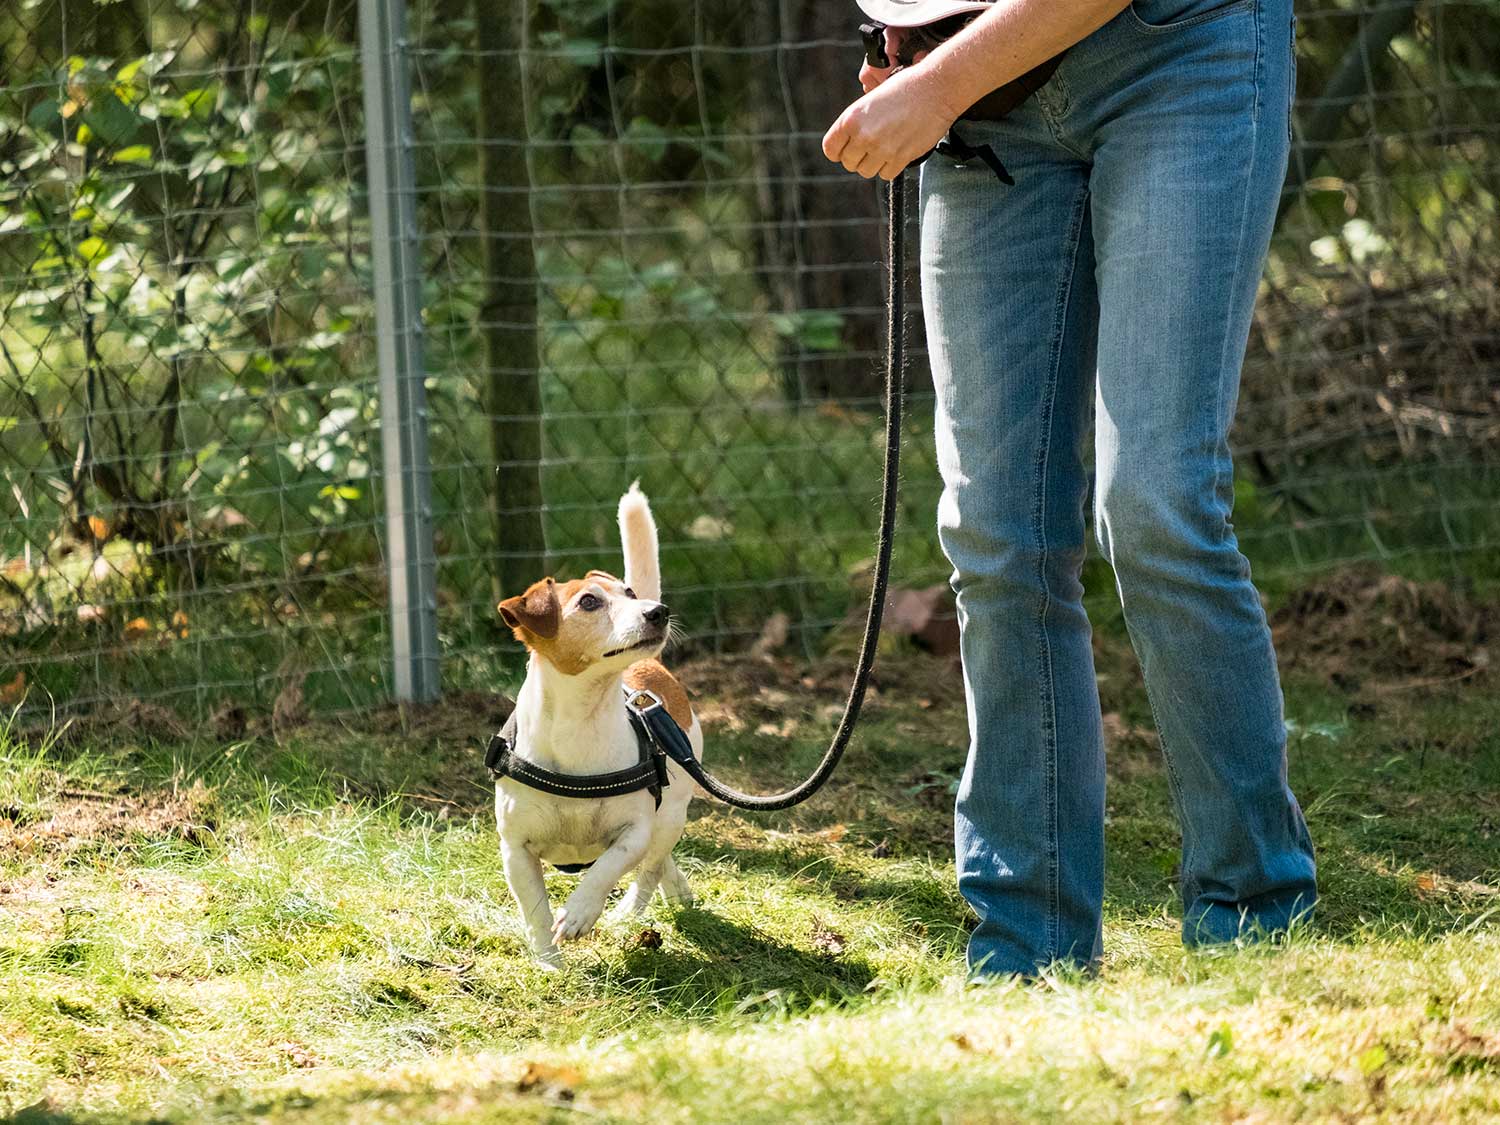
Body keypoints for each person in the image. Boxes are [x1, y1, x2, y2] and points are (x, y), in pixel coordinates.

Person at [823, 0, 1318, 978]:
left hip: (1179, 52)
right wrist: (912, 43)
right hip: (982, 101)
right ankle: (1027, 947)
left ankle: (1253, 918)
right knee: (995, 532)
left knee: (1155, 503)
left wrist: (939, 83)